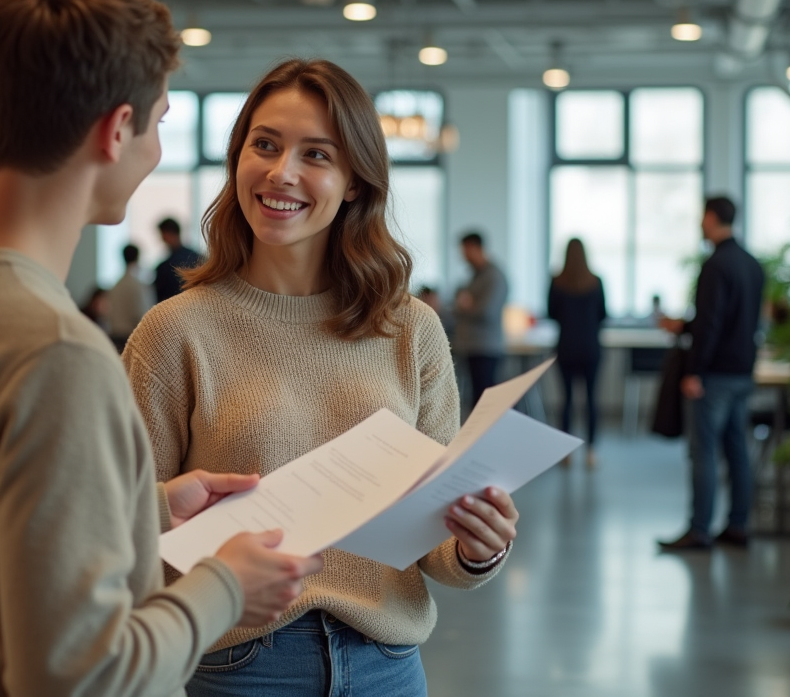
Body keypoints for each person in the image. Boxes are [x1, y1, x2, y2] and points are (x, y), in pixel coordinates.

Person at [0, 0, 320, 697]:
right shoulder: (56, 354)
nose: (156, 150)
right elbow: (81, 673)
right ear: (116, 131)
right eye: (161, 122)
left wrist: (144, 512)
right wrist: (225, 587)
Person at [124, 59, 519, 697]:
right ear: (238, 159)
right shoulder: (173, 333)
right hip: (237, 668)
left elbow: (435, 547)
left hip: (386, 665)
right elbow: (122, 529)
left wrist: (478, 547)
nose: (282, 173)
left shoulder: (410, 329)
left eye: (316, 155)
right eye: (265, 145)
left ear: (355, 183)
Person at [658, 196, 765, 551]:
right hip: (742, 372)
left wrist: (694, 371)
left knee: (702, 451)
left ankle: (700, 529)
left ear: (712, 217)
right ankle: (738, 525)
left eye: (702, 217)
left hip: (714, 374)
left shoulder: (716, 265)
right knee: (737, 449)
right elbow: (739, 321)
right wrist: (686, 325)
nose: (700, 224)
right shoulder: (752, 265)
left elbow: (711, 323)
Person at [547, 239, 607, 470]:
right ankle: (591, 450)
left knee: (567, 400)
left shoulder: (557, 282)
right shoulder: (596, 281)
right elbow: (603, 314)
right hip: (591, 347)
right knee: (592, 400)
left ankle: (566, 453)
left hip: (566, 347)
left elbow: (551, 313)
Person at [453, 232, 509, 406]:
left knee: (484, 399)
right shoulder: (475, 276)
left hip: (486, 347)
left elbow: (487, 312)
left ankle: (487, 434)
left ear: (475, 248)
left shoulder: (494, 276)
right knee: (476, 397)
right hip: (472, 346)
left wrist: (467, 305)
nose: (463, 256)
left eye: (465, 250)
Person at [109, 243, 151, 338]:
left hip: (116, 334)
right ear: (138, 257)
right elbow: (142, 314)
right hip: (131, 336)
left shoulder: (117, 285)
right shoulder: (138, 285)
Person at [154, 217, 200, 303]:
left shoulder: (164, 267)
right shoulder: (196, 257)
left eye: (162, 234)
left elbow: (160, 299)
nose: (162, 239)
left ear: (168, 234)